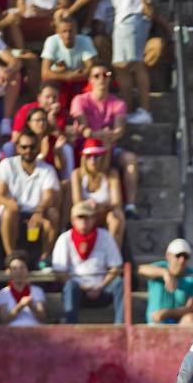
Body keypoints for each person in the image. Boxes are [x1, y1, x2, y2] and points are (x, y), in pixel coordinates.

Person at [66, 0, 153, 124]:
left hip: (134, 13)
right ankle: (127, 112)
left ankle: (145, 111)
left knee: (136, 64)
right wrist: (70, 11)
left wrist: (145, 1)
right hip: (122, 18)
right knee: (120, 67)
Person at [70, 60, 139, 218]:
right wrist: (103, 135)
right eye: (97, 75)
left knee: (130, 159)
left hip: (108, 147)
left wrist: (109, 136)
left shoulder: (118, 103)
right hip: (85, 149)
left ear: (109, 79)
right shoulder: (80, 100)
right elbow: (84, 129)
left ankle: (130, 206)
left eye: (106, 75)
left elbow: (120, 129)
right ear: (90, 80)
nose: (102, 78)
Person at [0, 126, 60, 266]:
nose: (28, 150)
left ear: (38, 148)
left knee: (53, 214)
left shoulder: (47, 169)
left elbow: (49, 196)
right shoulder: (7, 165)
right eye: (24, 147)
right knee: (9, 212)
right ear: (18, 148)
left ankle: (44, 259)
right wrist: (14, 206)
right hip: (12, 213)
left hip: (36, 213)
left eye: (32, 146)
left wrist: (39, 212)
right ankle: (10, 258)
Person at [52, 199, 123, 323]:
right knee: (70, 286)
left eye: (88, 217)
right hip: (78, 292)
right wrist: (84, 288)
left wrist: (100, 286)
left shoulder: (105, 236)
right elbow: (60, 273)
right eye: (80, 217)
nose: (84, 221)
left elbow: (116, 267)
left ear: (94, 219)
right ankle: (71, 325)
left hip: (102, 289)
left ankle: (121, 326)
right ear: (73, 219)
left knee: (119, 283)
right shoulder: (64, 239)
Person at [70, 136, 124, 246]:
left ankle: (112, 251)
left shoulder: (111, 174)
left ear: (103, 157)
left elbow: (116, 202)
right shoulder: (77, 174)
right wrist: (88, 206)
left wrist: (100, 206)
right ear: (84, 158)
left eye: (96, 156)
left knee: (117, 216)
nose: (93, 160)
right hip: (85, 215)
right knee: (80, 214)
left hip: (104, 214)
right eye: (89, 156)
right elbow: (77, 202)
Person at [40, 13, 97, 111]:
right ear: (57, 31)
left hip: (79, 80)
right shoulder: (51, 41)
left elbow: (91, 69)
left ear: (76, 31)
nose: (68, 35)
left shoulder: (85, 40)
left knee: (96, 81)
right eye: (64, 31)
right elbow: (45, 73)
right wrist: (69, 76)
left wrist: (73, 76)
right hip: (61, 80)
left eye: (71, 31)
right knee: (48, 87)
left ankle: (92, 112)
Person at [138, 237, 193, 325]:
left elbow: (192, 307)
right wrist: (165, 273)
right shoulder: (160, 267)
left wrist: (168, 313)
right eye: (178, 255)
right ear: (168, 256)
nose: (182, 260)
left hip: (179, 324)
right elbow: (140, 270)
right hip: (156, 323)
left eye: (185, 256)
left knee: (191, 319)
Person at [0, 248, 46, 325]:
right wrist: (20, 305)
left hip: (35, 332)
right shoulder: (3, 293)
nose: (19, 272)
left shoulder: (37, 291)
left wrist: (31, 306)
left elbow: (42, 318)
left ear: (27, 270)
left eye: (22, 267)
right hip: (11, 333)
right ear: (8, 272)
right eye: (14, 269)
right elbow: (4, 320)